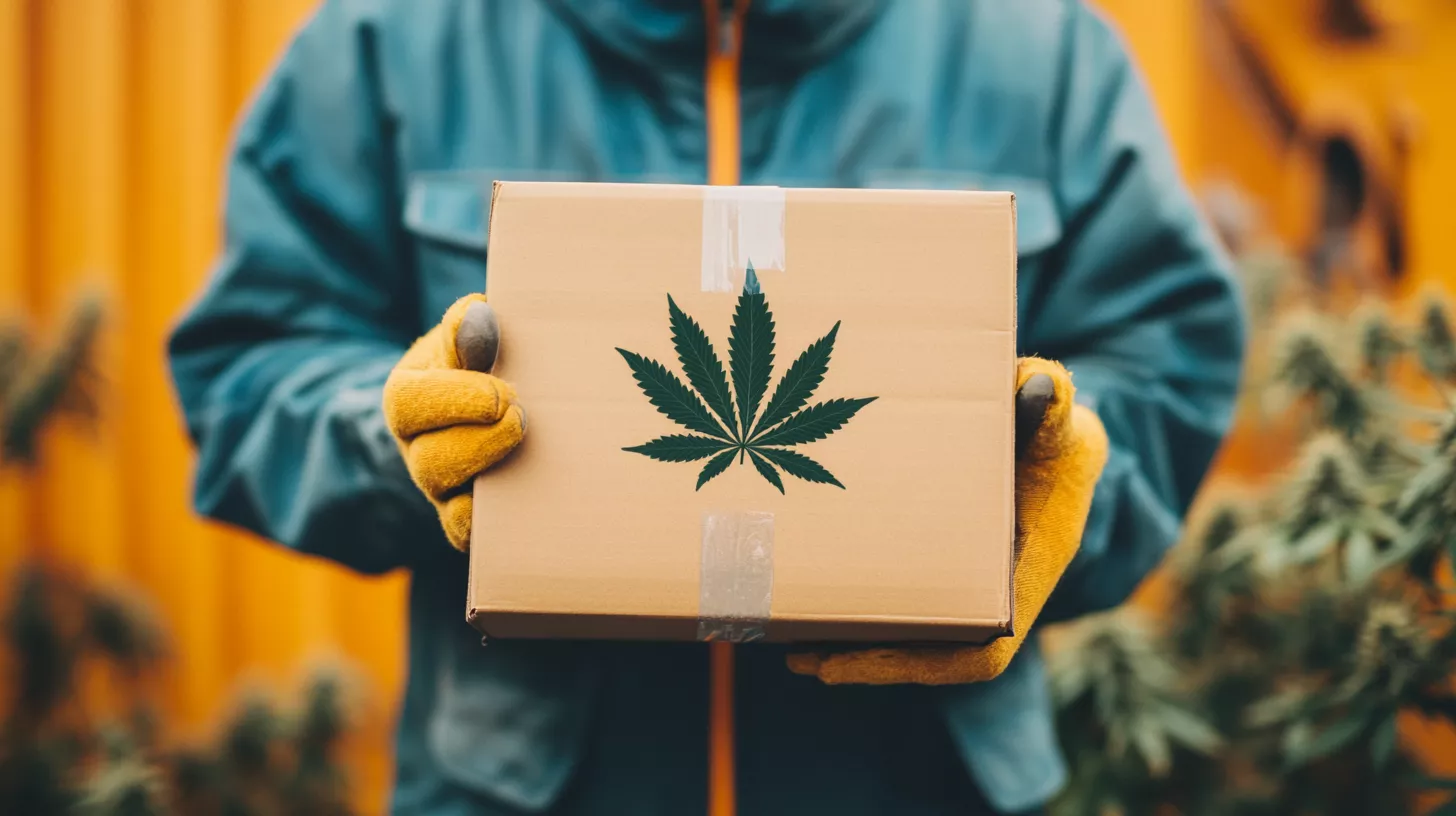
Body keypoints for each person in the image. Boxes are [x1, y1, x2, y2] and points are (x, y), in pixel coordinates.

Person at [165, 1, 1245, 814]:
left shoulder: (1038, 47)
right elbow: (250, 362)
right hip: (525, 787)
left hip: (921, 780)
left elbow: (1164, 362)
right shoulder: (397, 37)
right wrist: (390, 433)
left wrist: (1061, 492)